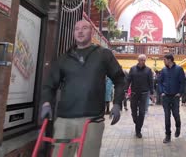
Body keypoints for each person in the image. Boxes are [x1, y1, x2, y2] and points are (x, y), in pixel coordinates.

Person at [41, 19, 125, 157]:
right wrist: (46, 103)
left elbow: (120, 79)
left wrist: (117, 103)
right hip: (64, 120)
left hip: (92, 121)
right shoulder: (64, 58)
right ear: (73, 33)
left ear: (92, 32)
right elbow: (50, 84)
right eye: (77, 29)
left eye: (84, 28)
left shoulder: (103, 55)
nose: (80, 31)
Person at [158, 53, 185, 143]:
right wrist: (162, 92)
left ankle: (178, 127)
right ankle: (167, 135)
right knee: (167, 116)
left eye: (164, 59)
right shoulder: (163, 70)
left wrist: (180, 93)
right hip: (165, 97)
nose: (163, 61)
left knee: (176, 114)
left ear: (169, 60)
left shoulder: (179, 69)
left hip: (175, 97)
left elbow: (182, 82)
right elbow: (160, 82)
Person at [126, 54, 154, 138]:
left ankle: (138, 130)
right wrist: (125, 90)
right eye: (141, 59)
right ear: (138, 60)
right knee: (133, 112)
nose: (142, 61)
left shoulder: (148, 70)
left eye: (144, 60)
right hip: (134, 94)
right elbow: (128, 80)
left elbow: (151, 82)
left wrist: (152, 94)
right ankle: (136, 122)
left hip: (144, 94)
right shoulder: (132, 69)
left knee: (142, 112)